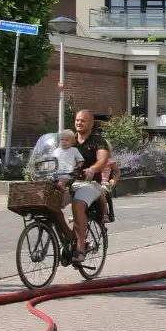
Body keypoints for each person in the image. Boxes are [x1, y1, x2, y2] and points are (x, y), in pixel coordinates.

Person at [70, 110, 111, 263]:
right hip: (69, 181)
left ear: (91, 123)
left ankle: (80, 247)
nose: (79, 123)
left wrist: (92, 169)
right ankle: (65, 234)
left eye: (83, 120)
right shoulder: (69, 140)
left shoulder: (98, 141)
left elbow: (102, 161)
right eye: (77, 120)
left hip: (91, 183)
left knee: (78, 205)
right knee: (51, 202)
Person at [52, 129, 84, 194]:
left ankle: (65, 196)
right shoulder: (56, 150)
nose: (63, 142)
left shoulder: (74, 150)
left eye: (66, 140)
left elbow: (81, 160)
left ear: (72, 142)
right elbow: (51, 161)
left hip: (68, 174)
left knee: (60, 184)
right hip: (55, 174)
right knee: (46, 184)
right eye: (62, 140)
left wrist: (77, 168)